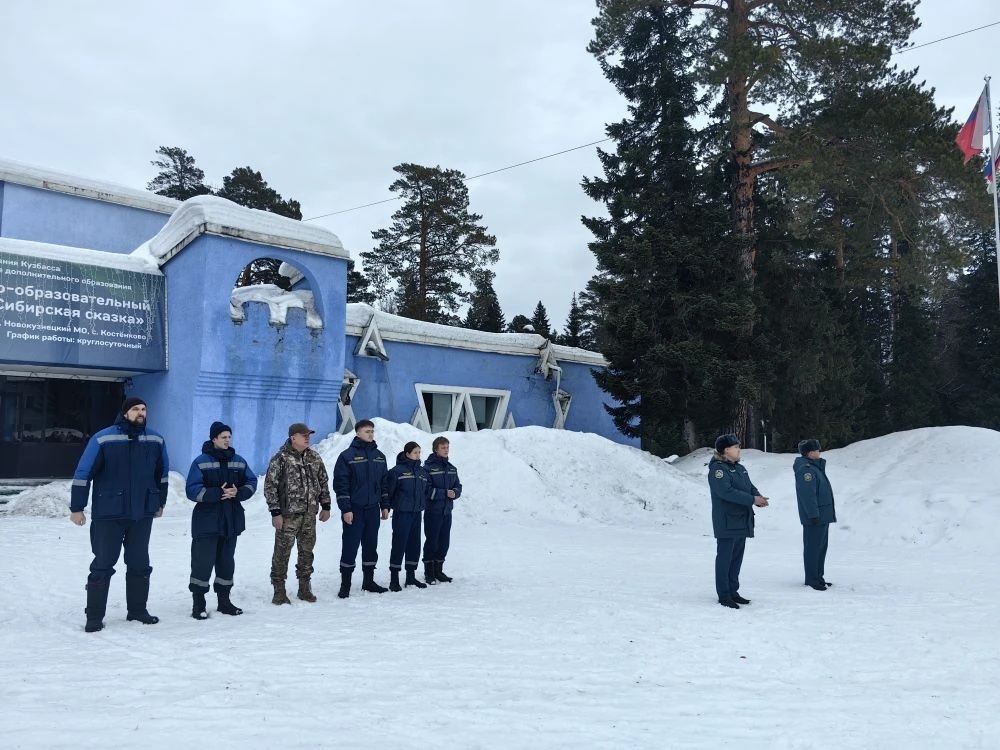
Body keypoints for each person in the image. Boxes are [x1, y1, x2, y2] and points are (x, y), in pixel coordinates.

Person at [69, 396, 169, 632]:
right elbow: (83, 472)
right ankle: (94, 616)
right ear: (125, 413)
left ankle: (137, 610)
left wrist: (159, 502)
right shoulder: (103, 438)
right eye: (135, 409)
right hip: (109, 513)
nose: (141, 413)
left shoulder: (155, 439)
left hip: (142, 513)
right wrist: (77, 507)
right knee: (103, 564)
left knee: (139, 563)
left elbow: (162, 474)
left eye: (144, 409)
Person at [184, 421, 258, 619]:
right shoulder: (201, 461)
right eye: (223, 437)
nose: (227, 440)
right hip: (206, 521)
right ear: (214, 439)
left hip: (231, 519)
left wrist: (238, 491)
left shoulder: (238, 461)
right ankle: (198, 602)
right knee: (202, 562)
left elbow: (251, 482)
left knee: (226, 562)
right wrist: (217, 493)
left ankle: (224, 602)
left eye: (229, 437)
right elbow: (192, 490)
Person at [264, 422, 332, 605]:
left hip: (309, 514)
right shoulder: (281, 458)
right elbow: (270, 486)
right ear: (293, 437)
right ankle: (279, 590)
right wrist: (275, 512)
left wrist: (326, 505)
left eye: (309, 434)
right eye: (304, 435)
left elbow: (323, 482)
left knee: (307, 551)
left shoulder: (314, 457)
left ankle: (304, 588)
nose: (308, 437)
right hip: (288, 515)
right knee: (282, 552)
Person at [708, 433, 768, 609]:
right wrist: (752, 500)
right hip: (727, 521)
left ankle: (733, 591)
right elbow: (726, 492)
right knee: (725, 558)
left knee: (736, 559)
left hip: (741, 520)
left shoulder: (739, 468)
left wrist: (758, 496)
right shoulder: (718, 470)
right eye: (736, 447)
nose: (739, 449)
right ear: (726, 450)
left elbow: (749, 486)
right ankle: (724, 595)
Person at [333, 419, 389, 598]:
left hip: (372, 509)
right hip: (354, 510)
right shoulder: (347, 456)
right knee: (350, 546)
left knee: (371, 545)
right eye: (367, 431)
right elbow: (341, 484)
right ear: (357, 433)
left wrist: (385, 506)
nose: (370, 434)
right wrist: (346, 509)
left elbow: (384, 484)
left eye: (372, 431)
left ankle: (369, 581)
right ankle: (345, 584)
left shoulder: (379, 456)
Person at [384, 441, 430, 592]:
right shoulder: (396, 471)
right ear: (407, 453)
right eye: (415, 452)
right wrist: (387, 507)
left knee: (414, 545)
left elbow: (425, 492)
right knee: (399, 544)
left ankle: (411, 576)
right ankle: (394, 579)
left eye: (419, 452)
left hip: (417, 514)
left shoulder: (422, 472)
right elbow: (389, 492)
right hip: (402, 514)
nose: (418, 455)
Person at [794, 438, 837, 591]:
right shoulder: (806, 470)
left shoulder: (815, 468)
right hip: (815, 517)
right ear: (810, 452)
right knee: (813, 548)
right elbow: (808, 495)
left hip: (822, 515)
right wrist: (813, 514)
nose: (820, 452)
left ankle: (818, 577)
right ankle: (812, 579)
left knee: (820, 548)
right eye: (817, 450)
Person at [422, 435, 462, 584]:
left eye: (447, 447)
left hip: (447, 512)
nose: (446, 450)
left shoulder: (452, 468)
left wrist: (455, 493)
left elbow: (458, 486)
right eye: (443, 447)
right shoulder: (427, 468)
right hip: (433, 512)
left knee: (444, 542)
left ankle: (439, 570)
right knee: (432, 541)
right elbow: (426, 490)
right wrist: (444, 493)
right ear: (435, 449)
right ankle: (429, 572)